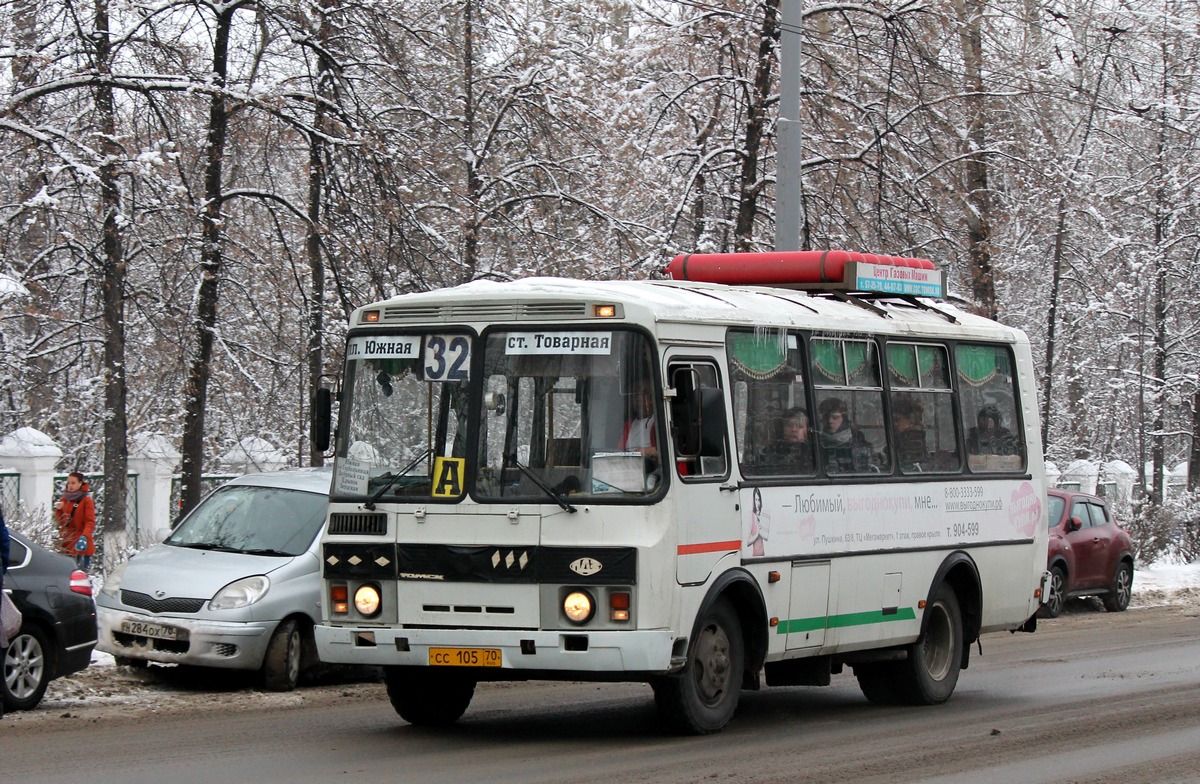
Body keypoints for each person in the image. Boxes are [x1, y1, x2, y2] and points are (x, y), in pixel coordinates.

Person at [817, 396, 873, 473]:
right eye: (826, 417)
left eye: (835, 417)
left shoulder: (857, 442)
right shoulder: (816, 439)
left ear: (844, 418)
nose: (830, 421)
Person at [57, 471, 96, 571]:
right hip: (67, 545)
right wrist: (59, 510)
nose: (70, 486)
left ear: (80, 484)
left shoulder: (86, 501)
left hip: (81, 545)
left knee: (80, 577)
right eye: (68, 483)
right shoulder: (64, 500)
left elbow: (90, 522)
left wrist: (84, 537)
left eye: (73, 483)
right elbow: (61, 523)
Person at [759, 407, 814, 473]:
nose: (794, 430)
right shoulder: (771, 451)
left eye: (800, 426)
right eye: (789, 425)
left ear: (808, 430)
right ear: (782, 428)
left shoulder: (814, 453)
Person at [619, 378, 658, 458]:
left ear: (652, 396)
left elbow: (670, 451)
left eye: (642, 393)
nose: (637, 398)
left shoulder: (661, 422)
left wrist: (648, 451)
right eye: (635, 394)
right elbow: (619, 453)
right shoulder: (628, 426)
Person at [893, 395, 929, 470]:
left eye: (898, 419)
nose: (895, 423)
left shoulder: (911, 438)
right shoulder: (901, 436)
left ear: (911, 422)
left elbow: (906, 461)